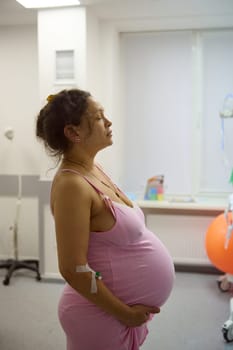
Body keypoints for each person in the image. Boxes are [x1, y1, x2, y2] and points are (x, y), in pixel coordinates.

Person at [36, 88, 175, 350]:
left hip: (113, 312)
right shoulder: (71, 185)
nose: (108, 122)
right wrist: (125, 313)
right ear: (73, 132)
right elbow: (73, 269)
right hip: (98, 316)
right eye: (99, 117)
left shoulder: (93, 168)